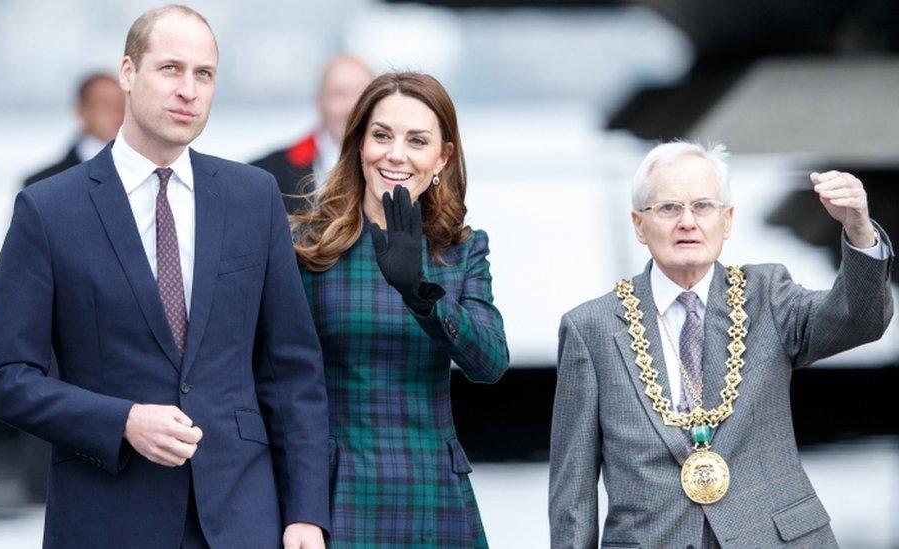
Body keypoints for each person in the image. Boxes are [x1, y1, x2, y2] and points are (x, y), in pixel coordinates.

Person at [0, 5, 328, 548]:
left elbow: (292, 370)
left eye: (203, 74)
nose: (188, 89)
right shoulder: (48, 210)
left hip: (242, 519)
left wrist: (306, 513)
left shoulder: (253, 198)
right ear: (128, 73)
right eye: (170, 69)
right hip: (107, 517)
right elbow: (2, 376)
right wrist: (122, 420)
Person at [549, 141, 893, 548]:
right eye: (668, 208)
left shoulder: (767, 296)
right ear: (639, 224)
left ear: (727, 221)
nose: (687, 222)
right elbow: (573, 491)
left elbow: (861, 320)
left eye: (703, 206)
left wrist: (858, 227)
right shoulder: (589, 328)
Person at [292, 72, 509, 547]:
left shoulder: (461, 250)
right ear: (359, 146)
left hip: (433, 489)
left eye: (417, 140)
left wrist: (420, 290)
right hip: (338, 488)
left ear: (442, 157)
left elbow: (489, 363)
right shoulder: (306, 246)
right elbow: (279, 382)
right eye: (382, 135)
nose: (396, 154)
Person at [251, 54, 374, 213]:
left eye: (361, 94)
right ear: (320, 101)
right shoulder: (266, 175)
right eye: (339, 94)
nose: (351, 106)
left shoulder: (397, 168)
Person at [23, 72, 125, 187]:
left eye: (123, 103)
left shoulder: (144, 172)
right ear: (82, 111)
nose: (117, 111)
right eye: (105, 103)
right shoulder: (41, 184)